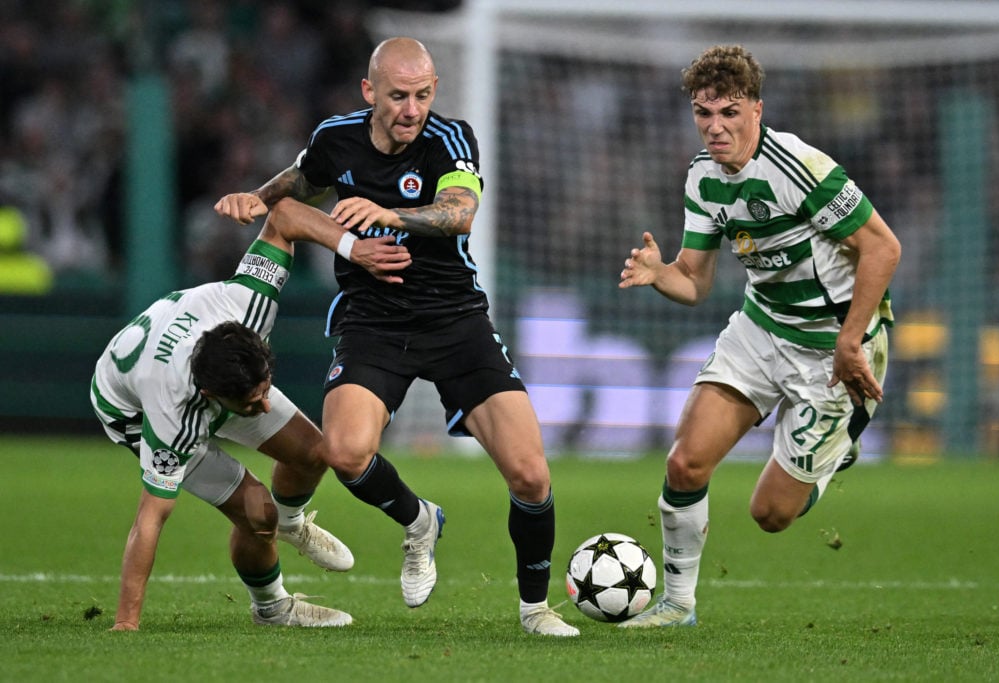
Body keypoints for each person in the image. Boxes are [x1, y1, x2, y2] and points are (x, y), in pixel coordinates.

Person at [214, 37, 579, 637]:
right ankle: (419, 524)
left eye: (423, 95)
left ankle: (535, 609)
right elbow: (306, 179)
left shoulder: (450, 139)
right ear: (369, 92)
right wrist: (257, 198)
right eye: (399, 96)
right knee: (345, 452)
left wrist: (383, 214)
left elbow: (458, 213)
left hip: (455, 319)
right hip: (373, 320)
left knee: (531, 476)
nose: (413, 109)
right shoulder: (338, 136)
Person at [617, 45, 901, 628]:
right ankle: (677, 605)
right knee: (685, 465)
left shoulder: (798, 167)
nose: (715, 127)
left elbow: (882, 247)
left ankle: (835, 450)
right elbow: (694, 282)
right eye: (704, 113)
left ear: (756, 110)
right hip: (761, 327)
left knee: (770, 514)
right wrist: (658, 274)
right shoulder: (702, 176)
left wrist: (850, 343)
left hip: (833, 346)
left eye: (729, 112)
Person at [91, 198, 412, 630]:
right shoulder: (173, 415)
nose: (265, 407)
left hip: (198, 365)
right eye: (252, 404)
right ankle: (273, 608)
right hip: (131, 408)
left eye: (267, 391)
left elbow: (284, 215)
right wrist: (126, 624)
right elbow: (150, 518)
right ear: (212, 396)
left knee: (315, 453)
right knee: (258, 513)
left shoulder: (248, 304)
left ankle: (291, 523)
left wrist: (355, 249)